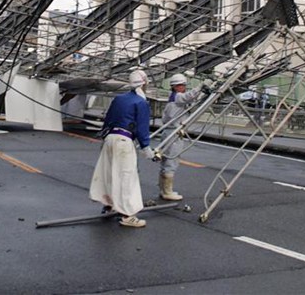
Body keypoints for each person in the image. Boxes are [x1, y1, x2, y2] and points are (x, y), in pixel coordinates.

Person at [89, 69, 155, 228]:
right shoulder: (141, 102)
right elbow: (141, 127)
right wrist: (146, 148)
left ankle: (109, 204)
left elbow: (108, 120)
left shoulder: (119, 99)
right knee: (126, 177)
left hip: (110, 138)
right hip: (124, 141)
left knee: (109, 172)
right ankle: (127, 215)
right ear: (144, 83)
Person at [158, 73, 213, 201]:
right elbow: (189, 97)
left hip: (170, 133)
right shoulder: (177, 98)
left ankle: (163, 189)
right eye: (181, 85)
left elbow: (193, 100)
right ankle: (167, 191)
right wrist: (200, 86)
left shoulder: (176, 99)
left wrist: (204, 94)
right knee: (171, 161)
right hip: (173, 134)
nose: (183, 87)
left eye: (184, 85)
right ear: (175, 87)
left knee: (167, 161)